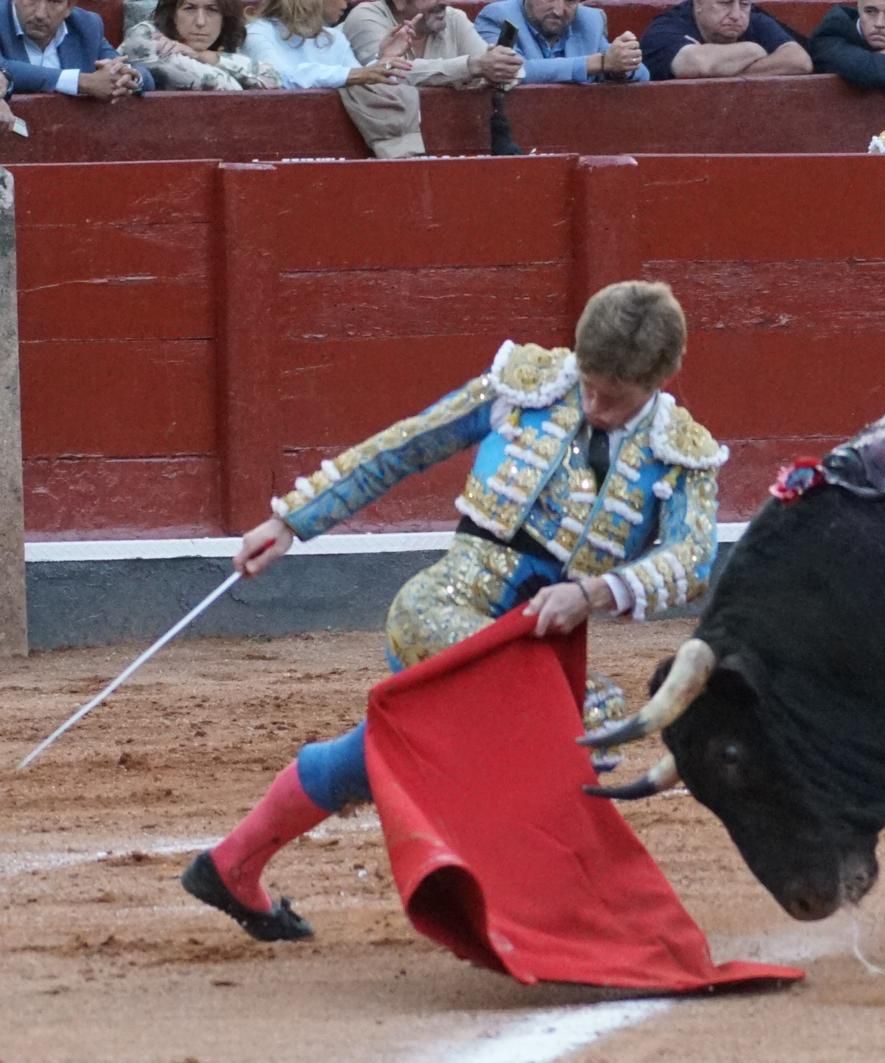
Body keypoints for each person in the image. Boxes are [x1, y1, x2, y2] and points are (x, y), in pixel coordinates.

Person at [179, 280, 727, 942]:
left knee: (385, 755)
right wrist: (295, 520)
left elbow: (692, 558)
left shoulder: (682, 451)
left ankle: (232, 863)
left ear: (662, 379)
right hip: (443, 609)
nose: (594, 404)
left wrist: (593, 592)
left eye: (616, 397)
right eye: (588, 382)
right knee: (567, 724)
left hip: (538, 643)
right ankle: (544, 916)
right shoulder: (525, 384)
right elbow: (406, 445)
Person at [340, 0, 523, 158]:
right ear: (399, 2)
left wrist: (498, 66)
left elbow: (505, 70)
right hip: (380, 160)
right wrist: (470, 68)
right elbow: (385, 73)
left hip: (456, 147)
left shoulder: (453, 18)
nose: (444, 2)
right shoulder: (365, 18)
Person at [240, 0, 408, 90]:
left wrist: (383, 60)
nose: (348, 2)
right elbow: (276, 77)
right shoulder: (257, 32)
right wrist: (354, 75)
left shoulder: (335, 37)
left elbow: (359, 77)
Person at [117, 0, 282, 90]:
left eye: (212, 9)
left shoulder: (217, 46)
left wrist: (206, 57)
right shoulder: (146, 36)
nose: (200, 22)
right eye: (189, 8)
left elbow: (273, 79)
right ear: (172, 14)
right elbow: (225, 87)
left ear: (225, 18)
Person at [0, 0, 154, 97]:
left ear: (69, 7)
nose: (40, 13)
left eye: (54, 2)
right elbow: (3, 67)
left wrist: (127, 78)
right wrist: (81, 82)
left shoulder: (86, 26)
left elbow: (123, 68)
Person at [475, 0, 647, 84]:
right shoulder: (498, 17)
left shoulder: (589, 20)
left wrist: (621, 66)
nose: (558, 10)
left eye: (570, 1)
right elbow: (513, 71)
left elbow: (643, 75)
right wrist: (599, 62)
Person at [641, 0, 811, 81]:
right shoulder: (665, 28)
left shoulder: (755, 20)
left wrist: (729, 71)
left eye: (744, 4)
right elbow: (698, 64)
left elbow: (799, 60)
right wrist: (754, 50)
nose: (736, 15)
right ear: (698, 4)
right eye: (724, 3)